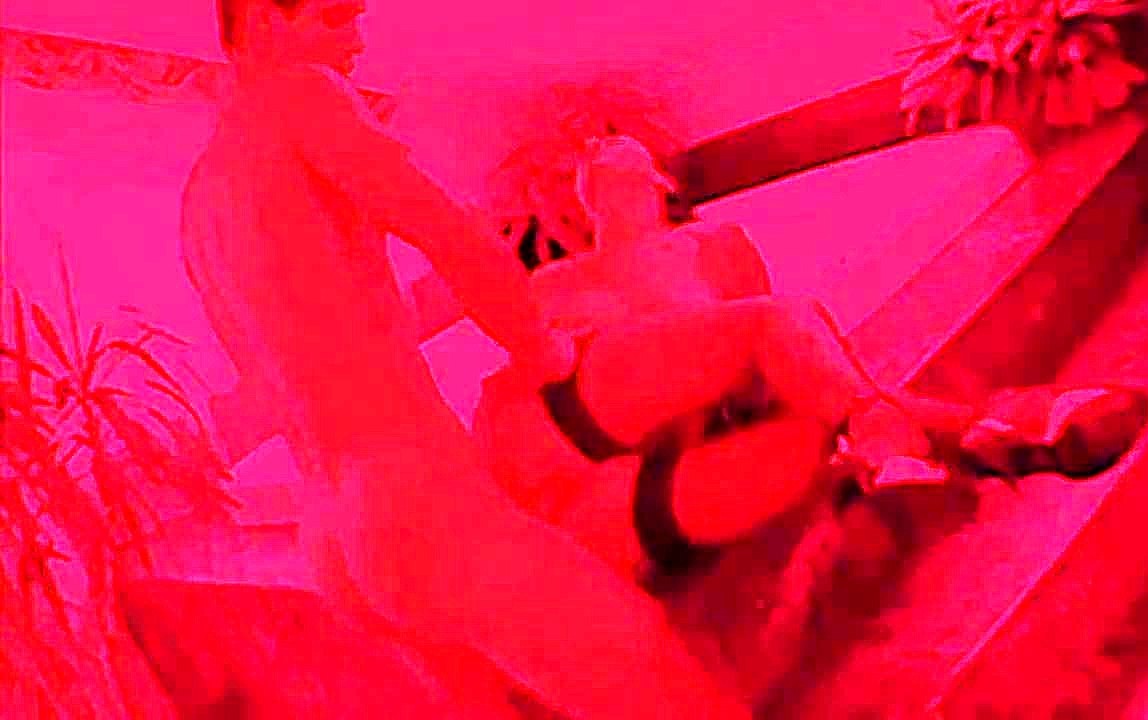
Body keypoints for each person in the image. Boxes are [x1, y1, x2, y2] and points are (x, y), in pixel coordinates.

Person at [180, 2, 754, 719]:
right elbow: (444, 231)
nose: (358, 39)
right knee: (652, 672)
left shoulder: (202, 202)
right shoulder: (301, 94)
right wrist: (546, 353)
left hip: (334, 531)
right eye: (336, 17)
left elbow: (302, 351)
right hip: (418, 493)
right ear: (264, 23)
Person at [471, 136, 1148, 582]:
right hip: (598, 444)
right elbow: (539, 380)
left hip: (687, 452)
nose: (608, 170)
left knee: (805, 395)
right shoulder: (557, 282)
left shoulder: (715, 246)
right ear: (583, 200)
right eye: (599, 171)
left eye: (624, 162)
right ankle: (960, 434)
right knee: (786, 337)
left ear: (657, 183)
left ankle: (989, 441)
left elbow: (779, 359)